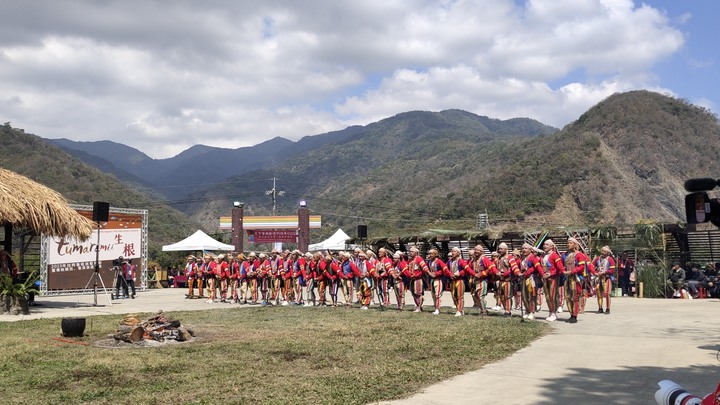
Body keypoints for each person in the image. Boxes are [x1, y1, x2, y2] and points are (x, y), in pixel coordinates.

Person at [563, 238, 590, 324]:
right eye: (567, 243)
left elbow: (581, 267)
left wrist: (571, 271)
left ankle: (575, 315)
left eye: (570, 243)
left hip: (576, 278)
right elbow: (561, 265)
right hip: (567, 278)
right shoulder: (565, 255)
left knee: (575, 297)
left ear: (575, 244)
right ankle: (571, 314)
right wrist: (563, 271)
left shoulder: (579, 255)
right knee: (567, 296)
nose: (568, 245)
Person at [541, 240, 565, 322]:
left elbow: (560, 268)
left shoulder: (555, 255)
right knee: (547, 296)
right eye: (544, 244)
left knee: (553, 296)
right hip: (545, 278)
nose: (545, 246)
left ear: (552, 246)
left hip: (553, 278)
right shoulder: (542, 255)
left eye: (547, 244)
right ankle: (550, 311)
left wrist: (551, 273)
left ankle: (554, 313)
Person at [519, 244, 544, 320]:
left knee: (531, 295)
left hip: (531, 279)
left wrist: (542, 274)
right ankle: (527, 310)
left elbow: (537, 267)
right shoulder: (522, 258)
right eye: (522, 248)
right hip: (523, 278)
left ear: (530, 250)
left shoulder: (533, 257)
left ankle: (532, 312)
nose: (524, 250)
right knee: (524, 295)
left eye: (526, 248)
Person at [425, 248, 449, 315]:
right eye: (429, 253)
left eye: (431, 253)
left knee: (437, 294)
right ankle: (436, 307)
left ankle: (437, 309)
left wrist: (436, 274)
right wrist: (429, 273)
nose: (429, 255)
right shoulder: (429, 262)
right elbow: (426, 269)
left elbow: (444, 269)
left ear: (435, 254)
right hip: (432, 280)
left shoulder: (439, 261)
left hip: (438, 280)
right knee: (433, 295)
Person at [446, 247, 468, 317]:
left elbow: (466, 269)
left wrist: (459, 273)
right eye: (452, 251)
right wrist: (450, 274)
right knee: (453, 296)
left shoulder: (461, 261)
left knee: (460, 296)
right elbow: (445, 269)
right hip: (452, 280)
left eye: (454, 251)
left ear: (458, 253)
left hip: (460, 280)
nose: (453, 253)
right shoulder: (449, 262)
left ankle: (459, 310)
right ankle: (459, 308)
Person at [592, 246, 615, 314]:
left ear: (608, 252)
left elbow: (612, 270)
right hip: (599, 278)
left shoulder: (610, 259)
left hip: (606, 278)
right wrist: (595, 273)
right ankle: (600, 308)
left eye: (604, 251)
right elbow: (592, 267)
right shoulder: (597, 259)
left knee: (607, 293)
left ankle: (608, 308)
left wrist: (604, 272)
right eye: (602, 251)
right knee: (599, 293)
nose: (602, 252)